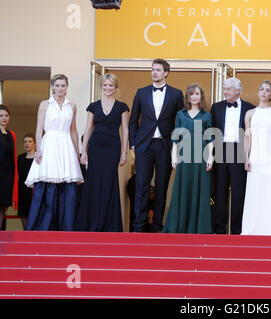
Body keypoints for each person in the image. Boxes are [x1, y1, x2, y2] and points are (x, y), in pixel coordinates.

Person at [129, 58, 184, 233]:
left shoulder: (176, 94)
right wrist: (133, 143)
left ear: (166, 73)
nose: (154, 72)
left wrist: (177, 145)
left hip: (165, 145)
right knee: (141, 186)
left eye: (158, 70)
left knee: (162, 186)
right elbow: (133, 120)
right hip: (144, 145)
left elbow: (180, 121)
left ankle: (157, 225)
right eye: (153, 69)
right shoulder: (141, 92)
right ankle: (138, 226)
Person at [25, 74, 84, 231]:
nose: (60, 88)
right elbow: (39, 128)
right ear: (52, 87)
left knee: (68, 187)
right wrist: (38, 150)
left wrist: (77, 153)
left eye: (63, 85)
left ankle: (67, 228)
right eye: (57, 85)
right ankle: (43, 227)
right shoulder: (45, 104)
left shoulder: (72, 106)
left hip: (66, 146)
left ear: (67, 87)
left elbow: (73, 131)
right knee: (47, 185)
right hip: (49, 143)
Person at [76, 73, 129, 232]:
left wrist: (124, 152)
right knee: (93, 182)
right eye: (105, 85)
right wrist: (83, 151)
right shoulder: (93, 106)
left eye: (111, 85)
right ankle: (90, 223)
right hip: (95, 146)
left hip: (113, 147)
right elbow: (88, 129)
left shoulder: (122, 107)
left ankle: (108, 225)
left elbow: (125, 130)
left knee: (109, 182)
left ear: (115, 88)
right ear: (101, 87)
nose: (108, 88)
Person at [162, 83, 213, 233]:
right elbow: (175, 137)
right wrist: (174, 156)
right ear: (187, 97)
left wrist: (210, 157)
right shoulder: (180, 114)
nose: (194, 96)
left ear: (201, 96)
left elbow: (210, 138)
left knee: (200, 189)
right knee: (182, 188)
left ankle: (199, 227)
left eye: (197, 94)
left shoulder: (207, 115)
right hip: (184, 155)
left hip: (201, 155)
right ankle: (179, 225)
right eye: (191, 94)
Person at [241, 80, 271, 236]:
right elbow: (247, 138)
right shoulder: (250, 113)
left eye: (267, 90)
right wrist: (246, 158)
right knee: (256, 190)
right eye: (261, 89)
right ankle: (254, 228)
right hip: (255, 155)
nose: (263, 92)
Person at [211, 77, 255, 234]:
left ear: (238, 90)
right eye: (224, 88)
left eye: (228, 88)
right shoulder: (215, 107)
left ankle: (237, 231)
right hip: (221, 151)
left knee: (239, 192)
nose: (225, 91)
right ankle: (220, 230)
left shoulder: (250, 108)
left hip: (239, 151)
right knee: (220, 191)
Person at [0, 105, 18, 230]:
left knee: (3, 207)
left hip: (7, 175)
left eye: (6, 115)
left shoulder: (11, 134)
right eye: (1, 115)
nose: (4, 118)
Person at [17, 133, 36, 229]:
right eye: (25, 142)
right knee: (23, 212)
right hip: (22, 189)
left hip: (34, 190)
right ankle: (26, 232)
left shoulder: (38, 157)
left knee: (34, 211)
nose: (27, 144)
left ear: (35, 144)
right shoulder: (20, 158)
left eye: (29, 141)